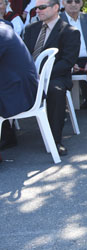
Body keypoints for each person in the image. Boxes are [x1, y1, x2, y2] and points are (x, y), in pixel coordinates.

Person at [21, 0, 80, 156]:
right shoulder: (30, 29)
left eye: (42, 7)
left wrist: (43, 75)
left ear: (55, 8)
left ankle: (55, 140)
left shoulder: (70, 31)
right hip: (30, 76)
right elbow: (24, 55)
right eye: (36, 8)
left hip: (56, 77)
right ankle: (7, 136)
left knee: (56, 91)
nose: (37, 11)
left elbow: (67, 62)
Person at [0, 23, 38, 153]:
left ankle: (6, 136)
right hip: (18, 86)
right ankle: (6, 135)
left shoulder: (1, 33)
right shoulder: (3, 27)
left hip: (20, 93)